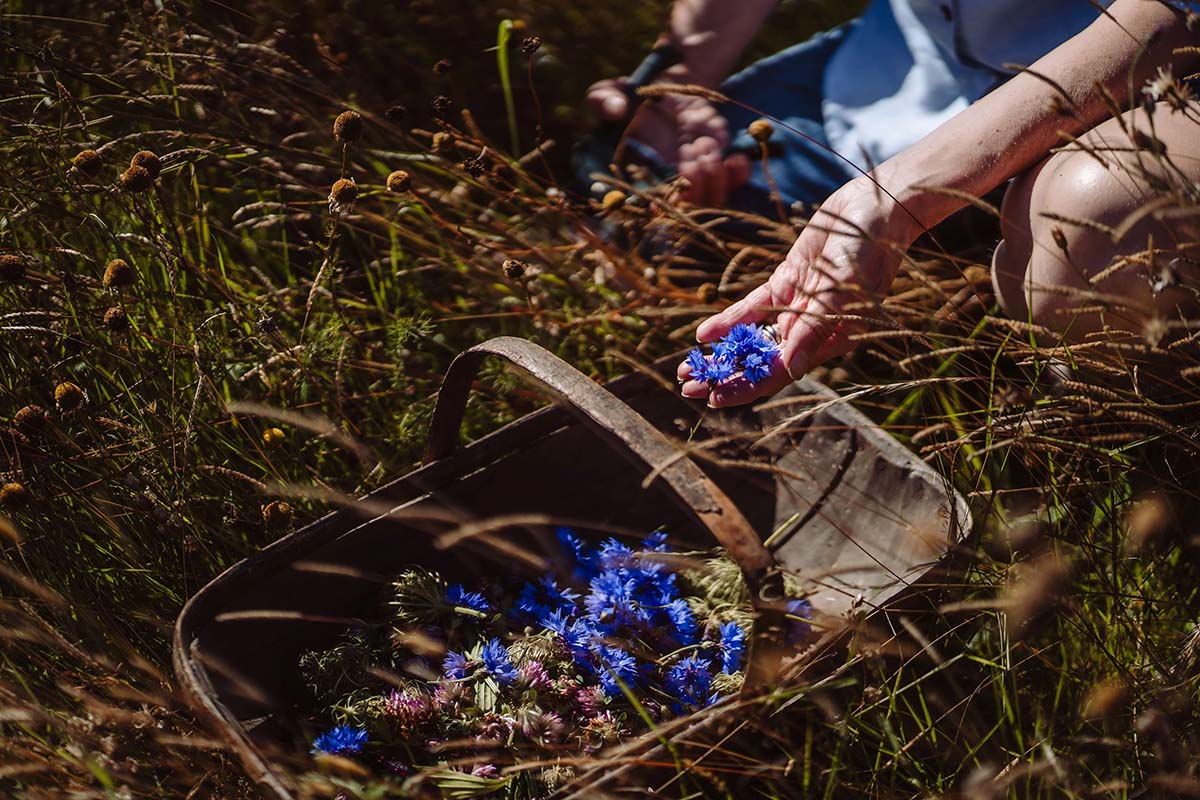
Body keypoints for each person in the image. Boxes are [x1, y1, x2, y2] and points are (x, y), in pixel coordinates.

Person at [587, 0, 1200, 407]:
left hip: (1146, 76)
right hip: (899, 69)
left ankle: (1131, 451)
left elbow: (1175, 14)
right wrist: (676, 80)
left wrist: (899, 195)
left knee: (1101, 233)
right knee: (640, 206)